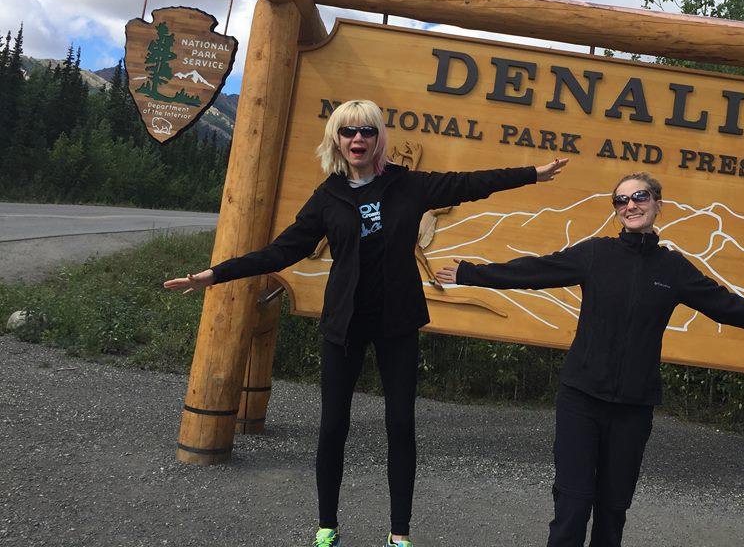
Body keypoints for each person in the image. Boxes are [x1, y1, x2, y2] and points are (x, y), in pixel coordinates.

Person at [163, 99, 567, 547]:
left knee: (401, 425)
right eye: (348, 131)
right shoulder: (328, 197)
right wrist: (216, 274)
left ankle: (399, 533)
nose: (358, 139)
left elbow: (470, 183)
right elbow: (281, 252)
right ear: (337, 139)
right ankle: (327, 526)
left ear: (379, 139)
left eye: (367, 131)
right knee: (333, 424)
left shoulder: (407, 186)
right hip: (345, 325)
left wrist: (533, 173)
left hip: (397, 322)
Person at [435, 171, 744, 547]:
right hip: (581, 398)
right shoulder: (595, 254)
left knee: (613, 509)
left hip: (633, 406)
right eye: (621, 200)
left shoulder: (673, 269)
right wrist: (472, 274)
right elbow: (536, 271)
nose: (630, 205)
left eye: (639, 196)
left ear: (658, 204)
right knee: (572, 506)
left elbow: (729, 307)